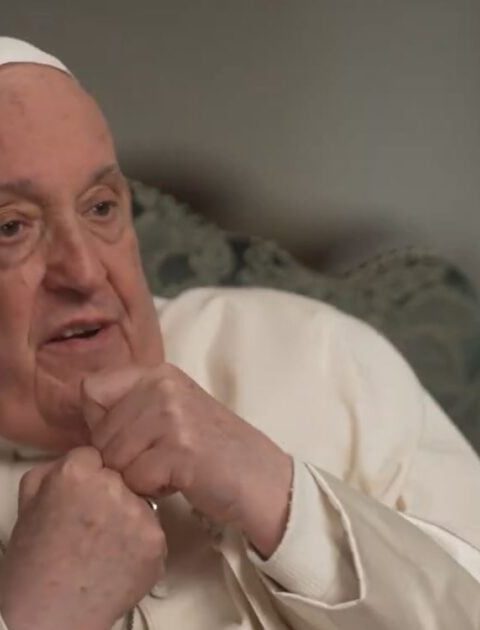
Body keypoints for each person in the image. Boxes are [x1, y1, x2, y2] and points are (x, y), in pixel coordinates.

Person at [0, 37, 478, 630]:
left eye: (100, 208)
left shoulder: (315, 350)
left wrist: (283, 500)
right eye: (11, 227)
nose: (85, 271)